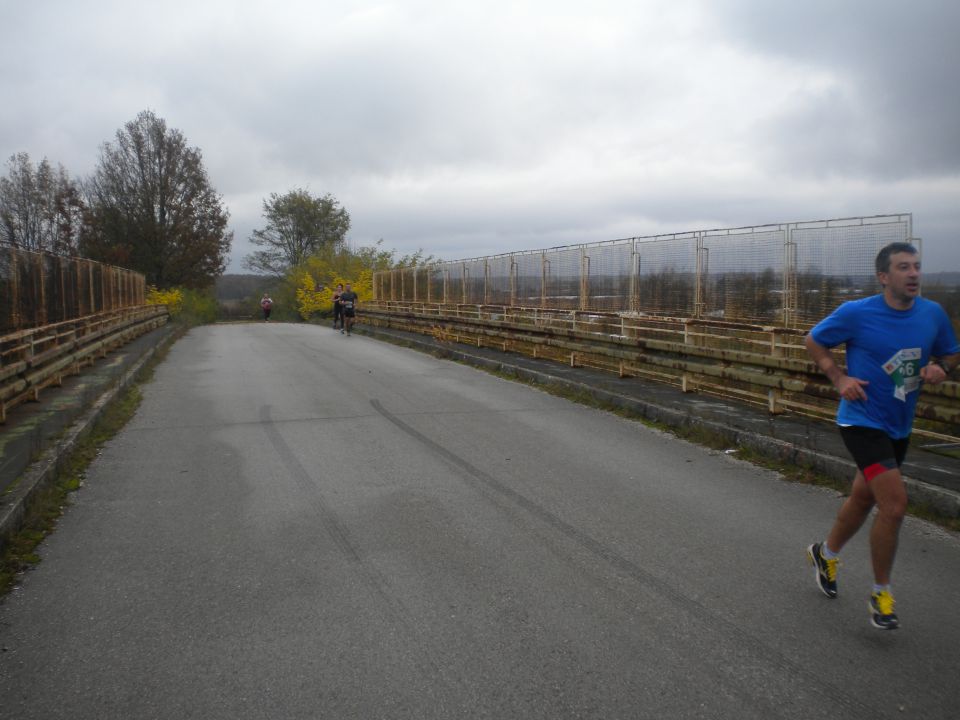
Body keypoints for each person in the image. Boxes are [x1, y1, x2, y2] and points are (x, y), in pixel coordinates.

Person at [804, 241, 959, 630]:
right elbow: (815, 340)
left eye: (917, 266)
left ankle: (826, 553)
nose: (914, 274)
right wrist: (838, 377)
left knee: (862, 497)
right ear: (884, 277)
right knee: (893, 505)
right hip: (861, 420)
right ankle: (881, 593)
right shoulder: (857, 313)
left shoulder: (932, 314)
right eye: (904, 267)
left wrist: (942, 367)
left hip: (899, 424)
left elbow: (951, 353)